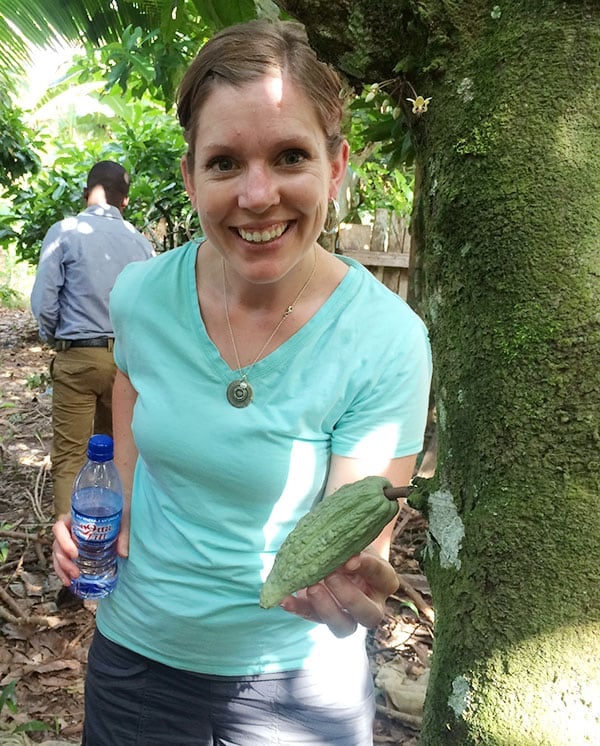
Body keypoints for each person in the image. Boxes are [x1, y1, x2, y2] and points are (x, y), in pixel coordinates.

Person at [52, 20, 432, 746]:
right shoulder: (140, 296)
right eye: (225, 163)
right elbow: (129, 414)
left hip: (296, 689)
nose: (258, 196)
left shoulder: (385, 341)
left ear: (338, 163)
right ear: (191, 175)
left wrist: (350, 585)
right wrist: (104, 519)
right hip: (137, 662)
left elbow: (351, 536)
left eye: (290, 155)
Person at [31, 161, 153, 518]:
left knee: (71, 455)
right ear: (125, 201)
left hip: (79, 357)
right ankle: (109, 535)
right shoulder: (141, 242)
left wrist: (54, 337)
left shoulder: (65, 231)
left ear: (87, 194)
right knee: (116, 454)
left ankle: (70, 544)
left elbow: (44, 301)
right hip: (126, 364)